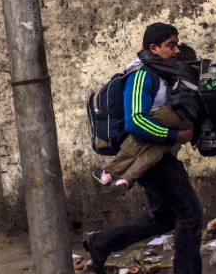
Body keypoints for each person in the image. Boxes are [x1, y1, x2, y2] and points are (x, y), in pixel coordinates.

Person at [84, 23, 203, 274]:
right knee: (189, 215)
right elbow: (135, 121)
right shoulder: (142, 75)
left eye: (177, 44)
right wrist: (175, 135)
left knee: (165, 217)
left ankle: (101, 243)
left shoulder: (164, 73)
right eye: (170, 45)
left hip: (158, 153)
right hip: (148, 157)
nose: (176, 49)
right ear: (153, 48)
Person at [92, 44, 201, 193]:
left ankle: (110, 172)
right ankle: (127, 178)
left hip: (173, 112)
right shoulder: (196, 71)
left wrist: (145, 53)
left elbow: (135, 122)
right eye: (171, 45)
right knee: (156, 150)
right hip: (189, 121)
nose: (173, 50)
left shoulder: (167, 68)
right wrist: (175, 136)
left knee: (140, 135)